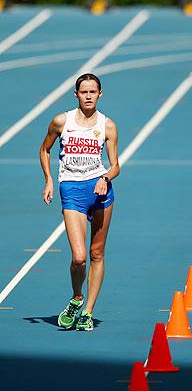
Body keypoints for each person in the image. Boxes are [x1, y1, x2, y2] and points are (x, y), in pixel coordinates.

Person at [40, 73, 120, 331]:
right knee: (79, 257)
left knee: (97, 253)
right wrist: (49, 180)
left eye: (92, 92)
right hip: (72, 190)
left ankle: (88, 311)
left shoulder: (108, 126)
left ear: (100, 94)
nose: (88, 96)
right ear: (76, 94)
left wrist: (105, 177)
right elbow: (44, 149)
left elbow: (116, 165)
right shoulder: (62, 121)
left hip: (100, 191)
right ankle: (77, 297)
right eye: (83, 92)